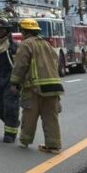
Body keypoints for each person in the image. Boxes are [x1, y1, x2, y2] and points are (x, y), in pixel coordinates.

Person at [10, 18, 65, 154]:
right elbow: (55, 62)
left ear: (24, 31)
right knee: (50, 116)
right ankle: (53, 145)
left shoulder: (26, 44)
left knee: (29, 114)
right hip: (53, 86)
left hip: (34, 87)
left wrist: (14, 82)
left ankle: (25, 141)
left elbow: (20, 65)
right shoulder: (46, 44)